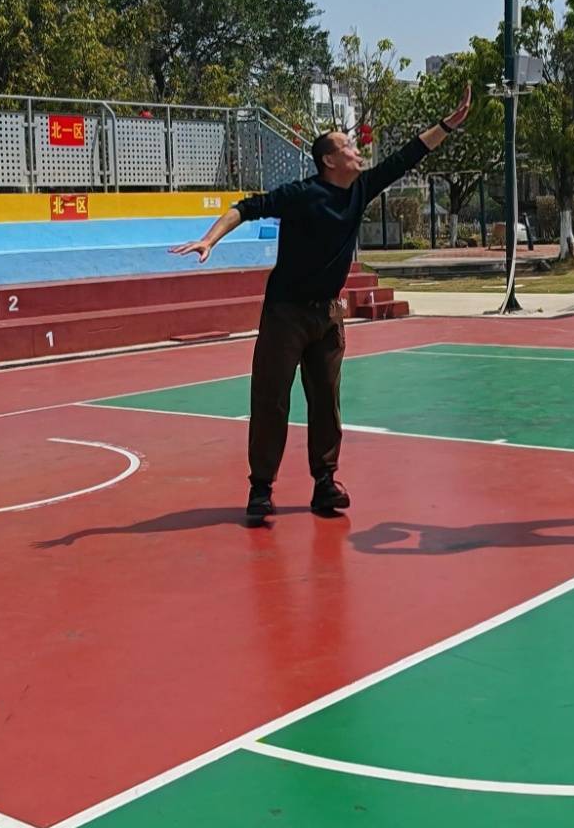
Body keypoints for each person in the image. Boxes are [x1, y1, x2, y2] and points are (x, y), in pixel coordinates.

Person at [173, 83, 472, 520]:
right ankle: (261, 488)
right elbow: (247, 207)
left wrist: (447, 124)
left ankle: (325, 483)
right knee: (271, 399)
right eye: (348, 146)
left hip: (328, 316)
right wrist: (208, 239)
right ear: (330, 160)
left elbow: (408, 156)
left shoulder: (360, 189)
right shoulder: (303, 195)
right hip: (285, 315)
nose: (357, 150)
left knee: (326, 402)